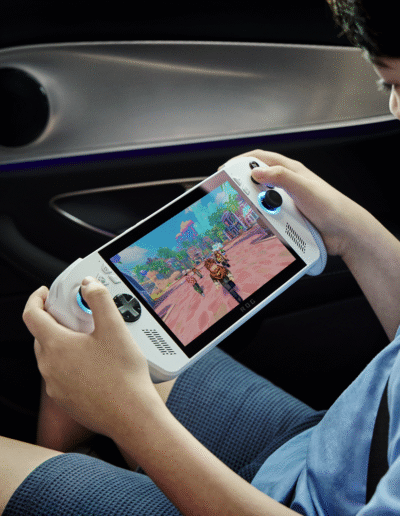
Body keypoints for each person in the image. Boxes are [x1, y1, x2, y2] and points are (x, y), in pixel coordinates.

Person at [2, 1, 400, 514]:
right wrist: (353, 233)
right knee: (81, 324)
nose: (395, 109)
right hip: (326, 456)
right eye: (388, 86)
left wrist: (131, 417)